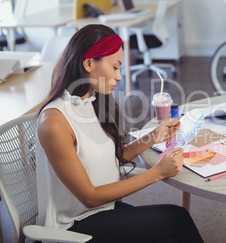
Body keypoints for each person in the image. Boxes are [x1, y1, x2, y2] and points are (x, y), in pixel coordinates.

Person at [36, 24, 204, 242]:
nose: (119, 76)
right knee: (177, 219)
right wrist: (157, 173)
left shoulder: (91, 101)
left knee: (170, 232)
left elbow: (114, 157)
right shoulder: (54, 122)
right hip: (75, 225)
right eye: (115, 67)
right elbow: (89, 197)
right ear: (88, 63)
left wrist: (153, 136)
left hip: (104, 210)